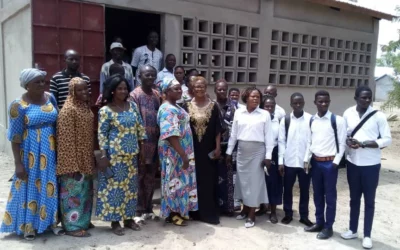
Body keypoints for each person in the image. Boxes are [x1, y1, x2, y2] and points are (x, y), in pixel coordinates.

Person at [1, 69, 59, 240]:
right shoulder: (18, 106)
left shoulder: (50, 98)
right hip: (30, 152)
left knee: (49, 185)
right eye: (37, 82)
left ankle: (49, 222)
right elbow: (15, 137)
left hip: (49, 150)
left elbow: (56, 123)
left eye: (43, 81)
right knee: (30, 185)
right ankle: (29, 226)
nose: (42, 85)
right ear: (27, 85)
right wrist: (18, 164)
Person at [341, 86, 392, 249]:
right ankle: (353, 229)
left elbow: (387, 139)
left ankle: (368, 235)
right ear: (356, 97)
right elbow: (344, 135)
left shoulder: (379, 116)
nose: (367, 100)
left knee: (369, 201)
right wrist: (348, 142)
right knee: (354, 199)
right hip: (353, 163)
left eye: (369, 97)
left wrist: (364, 144)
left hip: (371, 165)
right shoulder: (348, 113)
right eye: (363, 97)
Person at [96, 74, 146, 236]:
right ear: (112, 91)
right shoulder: (105, 111)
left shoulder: (132, 107)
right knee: (114, 189)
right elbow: (102, 134)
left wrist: (142, 150)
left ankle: (129, 218)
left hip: (131, 156)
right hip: (114, 156)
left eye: (125, 88)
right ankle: (115, 221)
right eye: (120, 88)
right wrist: (103, 156)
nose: (123, 91)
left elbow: (140, 129)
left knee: (130, 189)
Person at [226, 86, 273, 228]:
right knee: (243, 182)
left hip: (257, 151)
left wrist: (268, 156)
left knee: (254, 183)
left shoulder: (264, 114)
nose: (255, 99)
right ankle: (245, 208)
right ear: (246, 97)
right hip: (241, 151)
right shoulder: (239, 113)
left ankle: (252, 213)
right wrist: (229, 152)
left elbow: (268, 136)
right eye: (253, 96)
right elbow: (233, 134)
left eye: (258, 97)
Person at [304, 90, 346, 239]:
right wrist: (306, 159)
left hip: (330, 164)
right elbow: (310, 141)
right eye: (320, 101)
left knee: (330, 197)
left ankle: (329, 227)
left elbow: (341, 144)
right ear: (315, 102)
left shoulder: (337, 120)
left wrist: (335, 163)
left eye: (326, 101)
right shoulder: (312, 120)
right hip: (315, 163)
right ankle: (319, 222)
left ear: (329, 102)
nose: (323, 104)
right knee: (317, 195)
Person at [56, 77, 95, 237]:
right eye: (79, 90)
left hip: (85, 156)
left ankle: (83, 220)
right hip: (73, 160)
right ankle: (72, 226)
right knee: (73, 193)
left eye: (85, 88)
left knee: (85, 191)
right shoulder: (68, 110)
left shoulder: (84, 107)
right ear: (72, 92)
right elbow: (65, 141)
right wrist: (72, 166)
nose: (84, 92)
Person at [157, 79, 198, 226]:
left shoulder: (176, 106)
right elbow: (171, 135)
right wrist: (183, 155)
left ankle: (181, 209)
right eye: (176, 89)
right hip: (174, 152)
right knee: (172, 180)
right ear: (166, 92)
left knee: (181, 181)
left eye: (180, 88)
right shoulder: (167, 109)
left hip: (182, 150)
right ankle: (172, 213)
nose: (180, 91)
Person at [183, 76, 222, 225]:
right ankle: (194, 212)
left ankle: (208, 213)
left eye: (202, 86)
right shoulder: (186, 106)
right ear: (192, 88)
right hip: (192, 149)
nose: (199, 89)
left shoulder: (213, 106)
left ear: (206, 88)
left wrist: (218, 147)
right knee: (193, 180)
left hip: (208, 149)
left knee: (208, 180)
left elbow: (218, 128)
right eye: (196, 87)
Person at [130, 65, 161, 220]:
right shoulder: (134, 95)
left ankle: (148, 207)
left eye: (152, 75)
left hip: (154, 143)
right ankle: (137, 209)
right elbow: (133, 120)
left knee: (151, 176)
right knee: (139, 176)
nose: (150, 78)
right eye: (147, 75)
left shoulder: (157, 94)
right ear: (140, 76)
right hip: (140, 144)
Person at [278, 93, 313, 227]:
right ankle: (288, 214)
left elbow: (311, 141)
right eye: (295, 103)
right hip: (289, 161)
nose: (298, 105)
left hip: (305, 163)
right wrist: (281, 162)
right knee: (287, 189)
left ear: (304, 103)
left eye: (300, 103)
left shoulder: (310, 119)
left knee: (305, 190)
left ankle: (304, 216)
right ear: (291, 104)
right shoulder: (286, 120)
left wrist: (307, 159)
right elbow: (281, 141)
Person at [214, 79, 236, 216]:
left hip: (229, 147)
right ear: (215, 90)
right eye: (219, 89)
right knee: (214, 177)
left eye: (224, 89)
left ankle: (228, 208)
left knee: (228, 178)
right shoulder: (211, 105)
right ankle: (215, 207)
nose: (222, 91)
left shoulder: (233, 107)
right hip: (214, 147)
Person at [260, 96, 283, 224]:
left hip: (274, 153)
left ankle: (273, 211)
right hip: (260, 151)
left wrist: (280, 161)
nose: (269, 108)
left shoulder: (279, 121)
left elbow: (281, 141)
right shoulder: (258, 119)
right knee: (261, 180)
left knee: (274, 182)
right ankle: (263, 207)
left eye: (271, 106)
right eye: (266, 106)